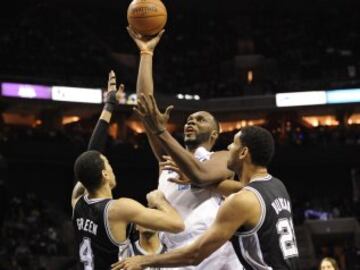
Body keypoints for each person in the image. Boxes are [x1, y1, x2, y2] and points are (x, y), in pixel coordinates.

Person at [127, 28, 243, 270]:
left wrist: (191, 178)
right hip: (176, 257)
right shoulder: (168, 158)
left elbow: (200, 176)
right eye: (189, 118)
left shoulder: (220, 157)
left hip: (214, 254)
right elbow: (145, 105)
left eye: (200, 119)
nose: (191, 121)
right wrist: (146, 53)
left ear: (214, 134)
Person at [112, 125, 300, 270]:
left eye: (233, 143)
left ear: (243, 153)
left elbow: (195, 255)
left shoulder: (241, 201)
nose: (228, 146)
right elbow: (217, 184)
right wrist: (195, 179)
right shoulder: (277, 186)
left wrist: (144, 261)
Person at [71, 71, 184, 270]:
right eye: (108, 165)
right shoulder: (119, 208)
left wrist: (109, 106)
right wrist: (160, 200)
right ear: (105, 174)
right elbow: (177, 225)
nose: (113, 169)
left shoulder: (77, 203)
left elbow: (91, 156)